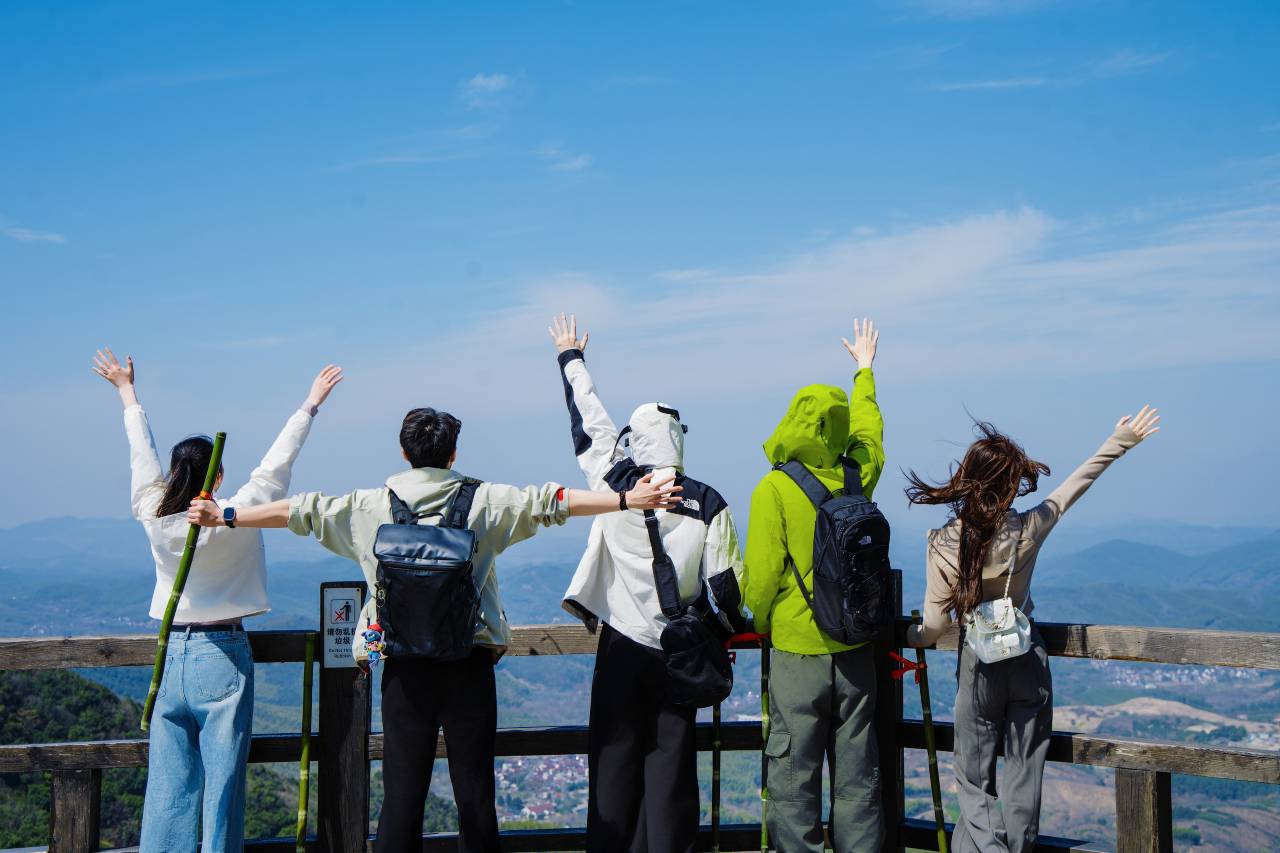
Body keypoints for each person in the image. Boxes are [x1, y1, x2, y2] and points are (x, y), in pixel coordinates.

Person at [186, 401, 682, 853]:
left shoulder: (366, 507)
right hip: (469, 662)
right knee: (474, 796)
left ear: (404, 452)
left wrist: (225, 514)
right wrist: (624, 501)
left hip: (402, 669)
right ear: (453, 453)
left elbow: (297, 511)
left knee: (402, 797)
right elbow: (551, 501)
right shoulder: (486, 501)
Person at [92, 347, 341, 853]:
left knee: (169, 787)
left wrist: (127, 392)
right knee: (222, 786)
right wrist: (309, 404)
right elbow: (277, 463)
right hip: (222, 655)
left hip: (171, 657)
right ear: (218, 477)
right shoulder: (236, 512)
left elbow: (143, 455)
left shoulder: (152, 512)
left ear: (175, 474)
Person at [904, 406, 1160, 852]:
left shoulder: (943, 543)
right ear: (1007, 485)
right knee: (1026, 773)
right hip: (1027, 657)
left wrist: (908, 638)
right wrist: (1119, 441)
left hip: (978, 666)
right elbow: (1075, 487)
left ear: (968, 478)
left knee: (973, 779)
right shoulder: (1028, 528)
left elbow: (933, 628)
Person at [548, 313, 747, 853]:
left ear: (637, 440)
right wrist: (731, 629)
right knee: (670, 771)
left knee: (612, 764)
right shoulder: (709, 502)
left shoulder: (614, 482)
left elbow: (588, 421)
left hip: (619, 645)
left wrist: (571, 358)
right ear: (679, 439)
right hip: (678, 650)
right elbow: (727, 590)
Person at [742, 319, 886, 853]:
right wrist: (864, 373)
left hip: (797, 654)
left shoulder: (774, 488)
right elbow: (871, 434)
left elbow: (759, 582)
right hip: (856, 651)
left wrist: (759, 625)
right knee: (858, 782)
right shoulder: (857, 478)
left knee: (792, 780)